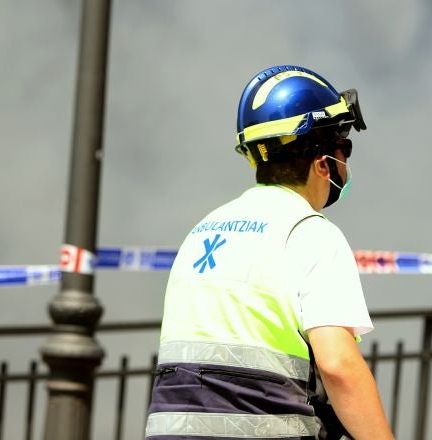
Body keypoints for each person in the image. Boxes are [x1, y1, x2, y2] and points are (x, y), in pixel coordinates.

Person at [145, 65, 394, 440]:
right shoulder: (308, 232)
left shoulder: (204, 230)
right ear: (323, 162)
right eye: (344, 147)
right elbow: (339, 365)